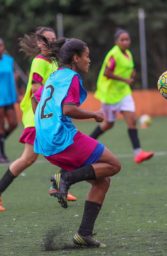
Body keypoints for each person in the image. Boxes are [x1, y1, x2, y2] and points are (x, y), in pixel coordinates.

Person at [33, 38, 121, 247]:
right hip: (60, 137)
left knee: (103, 181)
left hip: (45, 139)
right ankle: (64, 178)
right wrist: (94, 115)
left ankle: (84, 235)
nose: (89, 60)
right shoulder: (71, 77)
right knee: (114, 165)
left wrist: (43, 122)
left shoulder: (55, 76)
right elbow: (68, 109)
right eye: (87, 56)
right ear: (76, 58)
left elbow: (36, 97)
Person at [0, 27, 75, 213]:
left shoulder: (55, 61)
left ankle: (60, 184)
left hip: (47, 115)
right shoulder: (40, 62)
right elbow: (36, 89)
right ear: (40, 43)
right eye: (47, 39)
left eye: (54, 39)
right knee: (27, 159)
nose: (51, 42)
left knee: (67, 145)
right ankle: (59, 184)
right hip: (37, 116)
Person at [90, 29, 154, 164]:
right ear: (116, 42)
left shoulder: (128, 54)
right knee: (108, 124)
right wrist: (125, 80)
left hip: (124, 93)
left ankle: (138, 154)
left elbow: (129, 70)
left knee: (132, 121)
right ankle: (87, 144)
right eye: (122, 40)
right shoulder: (113, 55)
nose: (125, 42)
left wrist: (132, 75)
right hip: (110, 95)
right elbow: (107, 73)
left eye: (127, 39)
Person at [0, 38, 18, 163]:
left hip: (9, 97)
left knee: (13, 123)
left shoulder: (9, 60)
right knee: (0, 127)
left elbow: (12, 78)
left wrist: (15, 94)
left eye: (1, 45)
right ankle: (1, 155)